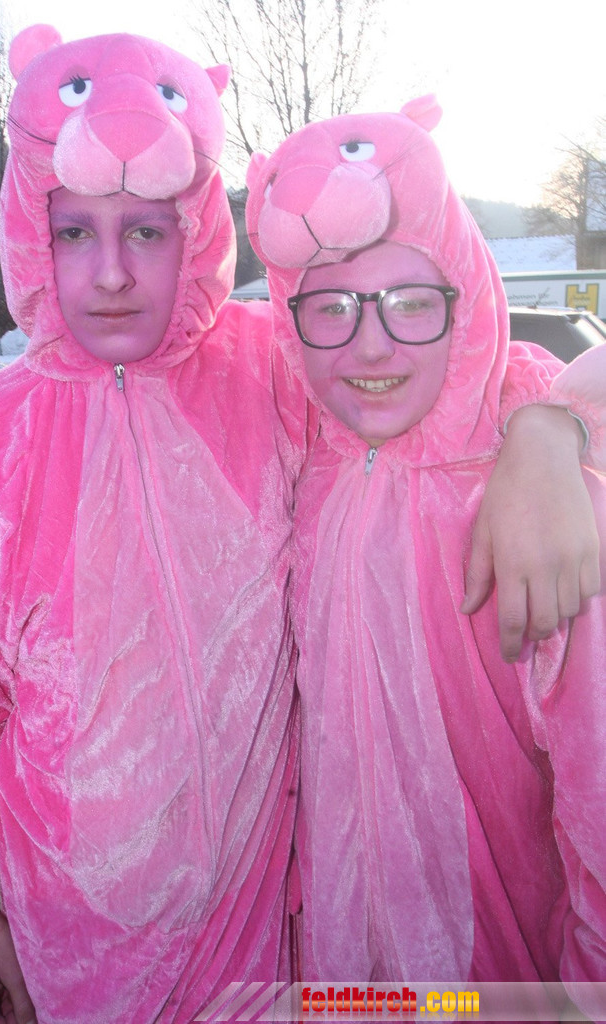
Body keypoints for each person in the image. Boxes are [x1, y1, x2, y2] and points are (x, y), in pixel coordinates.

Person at [0, 32, 602, 1024]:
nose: (110, 274)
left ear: (197, 226)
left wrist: (547, 428)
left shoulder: (266, 371)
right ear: (32, 226)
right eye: (73, 233)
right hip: (63, 933)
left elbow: (457, 374)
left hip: (260, 943)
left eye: (146, 232)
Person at [245, 101, 606, 990]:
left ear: (466, 303)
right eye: (330, 307)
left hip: (497, 981)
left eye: (412, 303)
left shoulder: (530, 508)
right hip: (338, 974)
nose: (370, 345)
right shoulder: (303, 467)